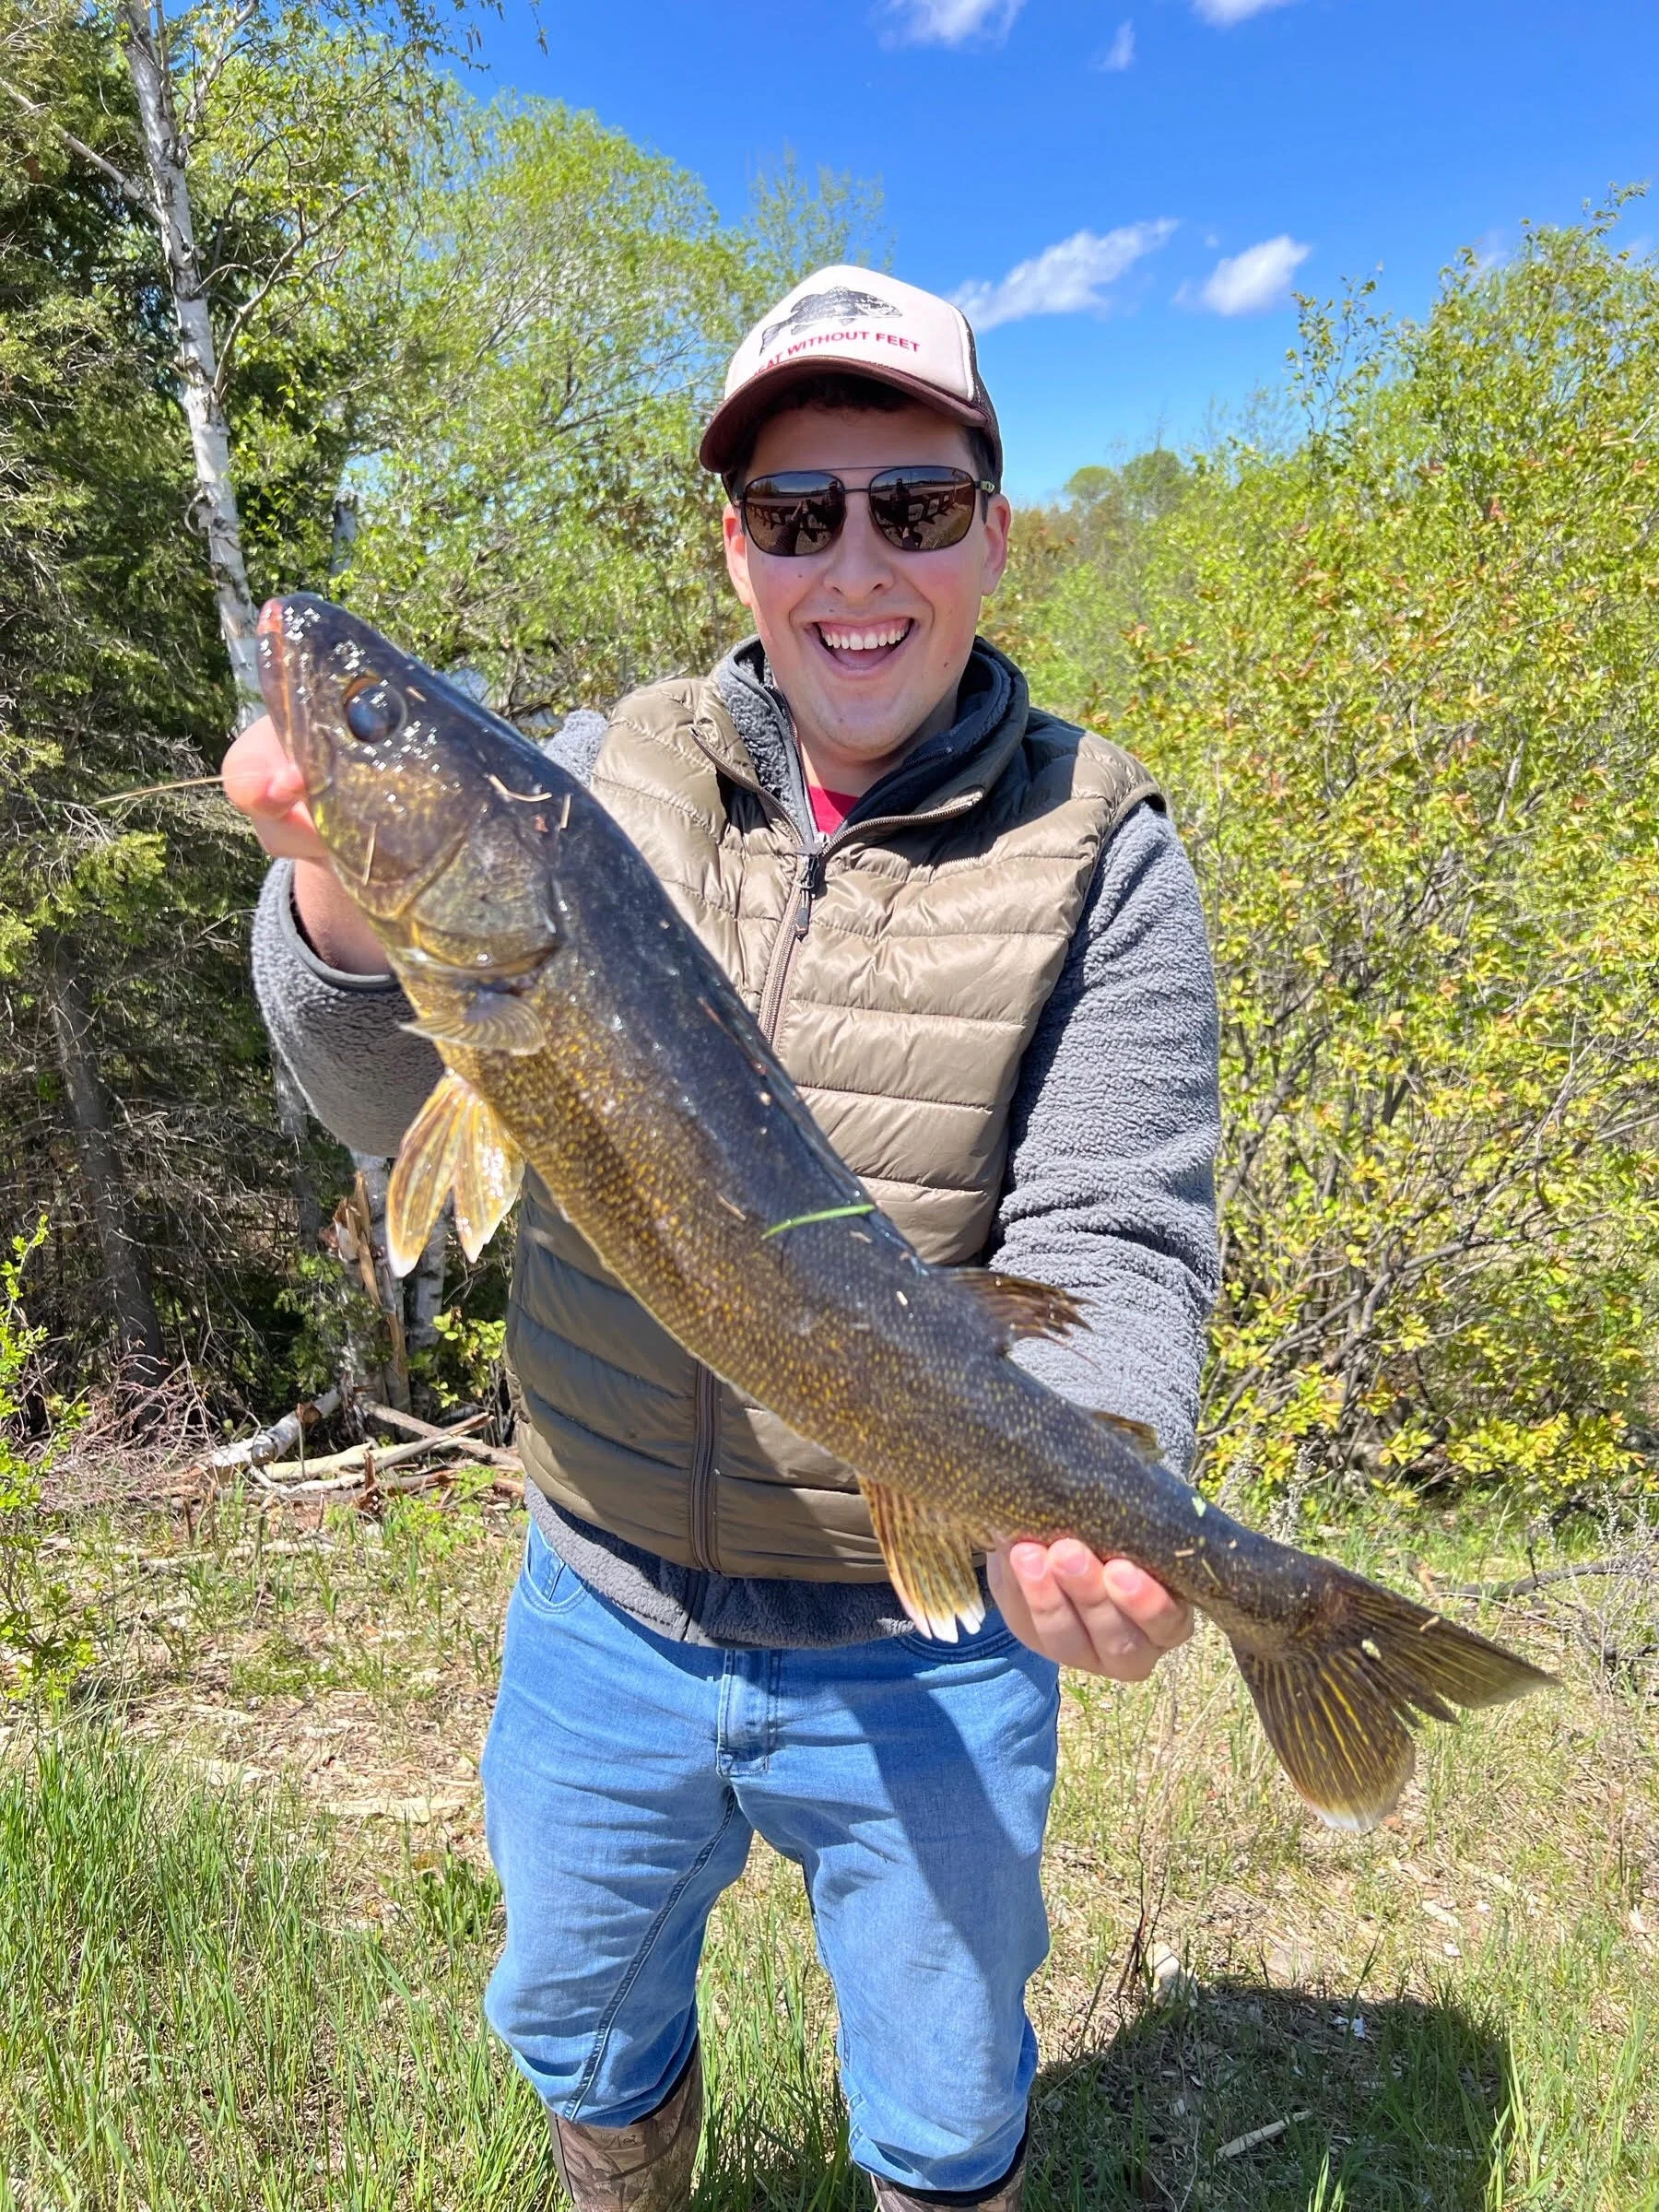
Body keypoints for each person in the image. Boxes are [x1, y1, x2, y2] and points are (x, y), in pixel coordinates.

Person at [226, 265, 1221, 2212]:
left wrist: (1103, 1480)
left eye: (914, 506)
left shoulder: (1107, 856)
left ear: (995, 533)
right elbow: (385, 1117)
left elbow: (1113, 1240)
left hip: (917, 1635)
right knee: (580, 2015)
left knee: (945, 2099)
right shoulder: (594, 775)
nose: (857, 560)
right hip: (599, 1592)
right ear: (738, 546)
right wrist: (349, 922)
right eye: (796, 512)